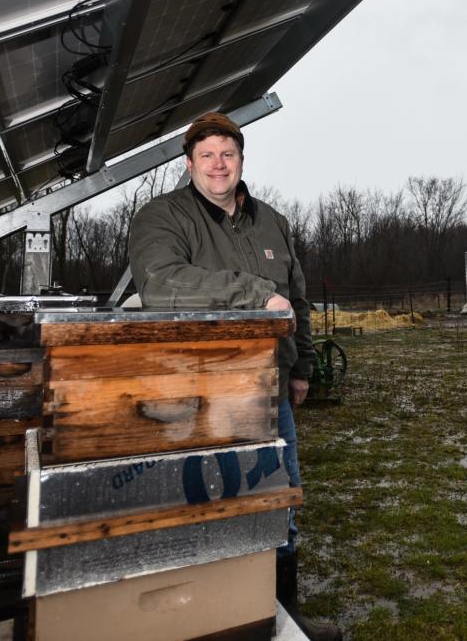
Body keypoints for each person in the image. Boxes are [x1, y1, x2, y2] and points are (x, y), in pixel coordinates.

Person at [127, 112, 340, 641]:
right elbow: (160, 282)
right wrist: (253, 294)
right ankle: (212, 616)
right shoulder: (162, 216)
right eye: (207, 155)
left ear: (241, 160)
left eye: (228, 153)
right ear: (188, 163)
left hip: (271, 389)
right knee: (209, 505)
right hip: (199, 393)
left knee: (281, 498)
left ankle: (283, 614)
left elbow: (298, 299)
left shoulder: (272, 221)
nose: (218, 165)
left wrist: (304, 365)